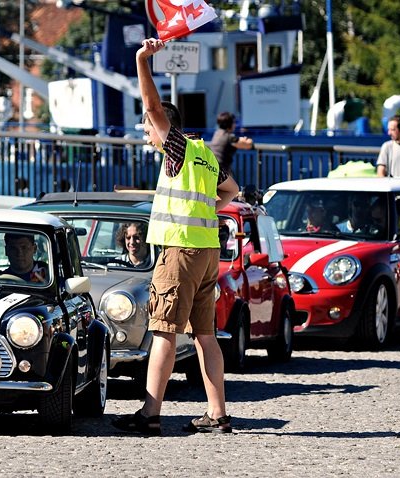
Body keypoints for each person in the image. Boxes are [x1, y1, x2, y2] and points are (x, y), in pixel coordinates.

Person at [112, 38, 240, 436]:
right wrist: (203, 210)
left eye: (149, 129)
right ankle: (217, 414)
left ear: (164, 127)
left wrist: (141, 60)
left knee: (163, 331)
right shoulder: (205, 154)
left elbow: (152, 105)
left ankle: (149, 415)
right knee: (205, 336)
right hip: (206, 252)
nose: (147, 134)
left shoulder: (178, 148)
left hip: (180, 251)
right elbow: (231, 191)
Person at [209, 111, 252, 176]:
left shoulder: (217, 133)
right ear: (230, 124)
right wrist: (249, 140)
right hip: (222, 172)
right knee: (234, 186)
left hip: (212, 169)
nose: (235, 125)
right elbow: (247, 145)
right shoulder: (229, 137)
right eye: (234, 122)